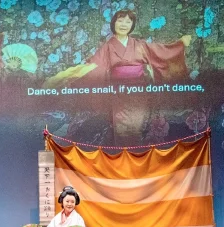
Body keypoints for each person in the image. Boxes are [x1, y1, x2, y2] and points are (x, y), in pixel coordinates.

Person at [44, 9, 192, 145]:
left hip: (138, 94)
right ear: (114, 22)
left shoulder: (139, 45)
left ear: (132, 25)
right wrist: (68, 76)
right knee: (122, 130)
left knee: (137, 129)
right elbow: (94, 67)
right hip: (119, 95)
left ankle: (135, 164)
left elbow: (160, 53)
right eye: (120, 20)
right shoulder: (108, 46)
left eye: (128, 21)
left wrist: (179, 44)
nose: (124, 24)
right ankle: (123, 165)